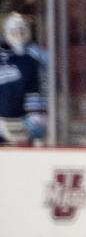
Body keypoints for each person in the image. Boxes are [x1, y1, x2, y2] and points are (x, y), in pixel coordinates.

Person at [0, 12, 45, 145]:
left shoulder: (34, 57)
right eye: (14, 32)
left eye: (21, 31)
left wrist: (35, 115)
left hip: (22, 123)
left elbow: (35, 87)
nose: (18, 36)